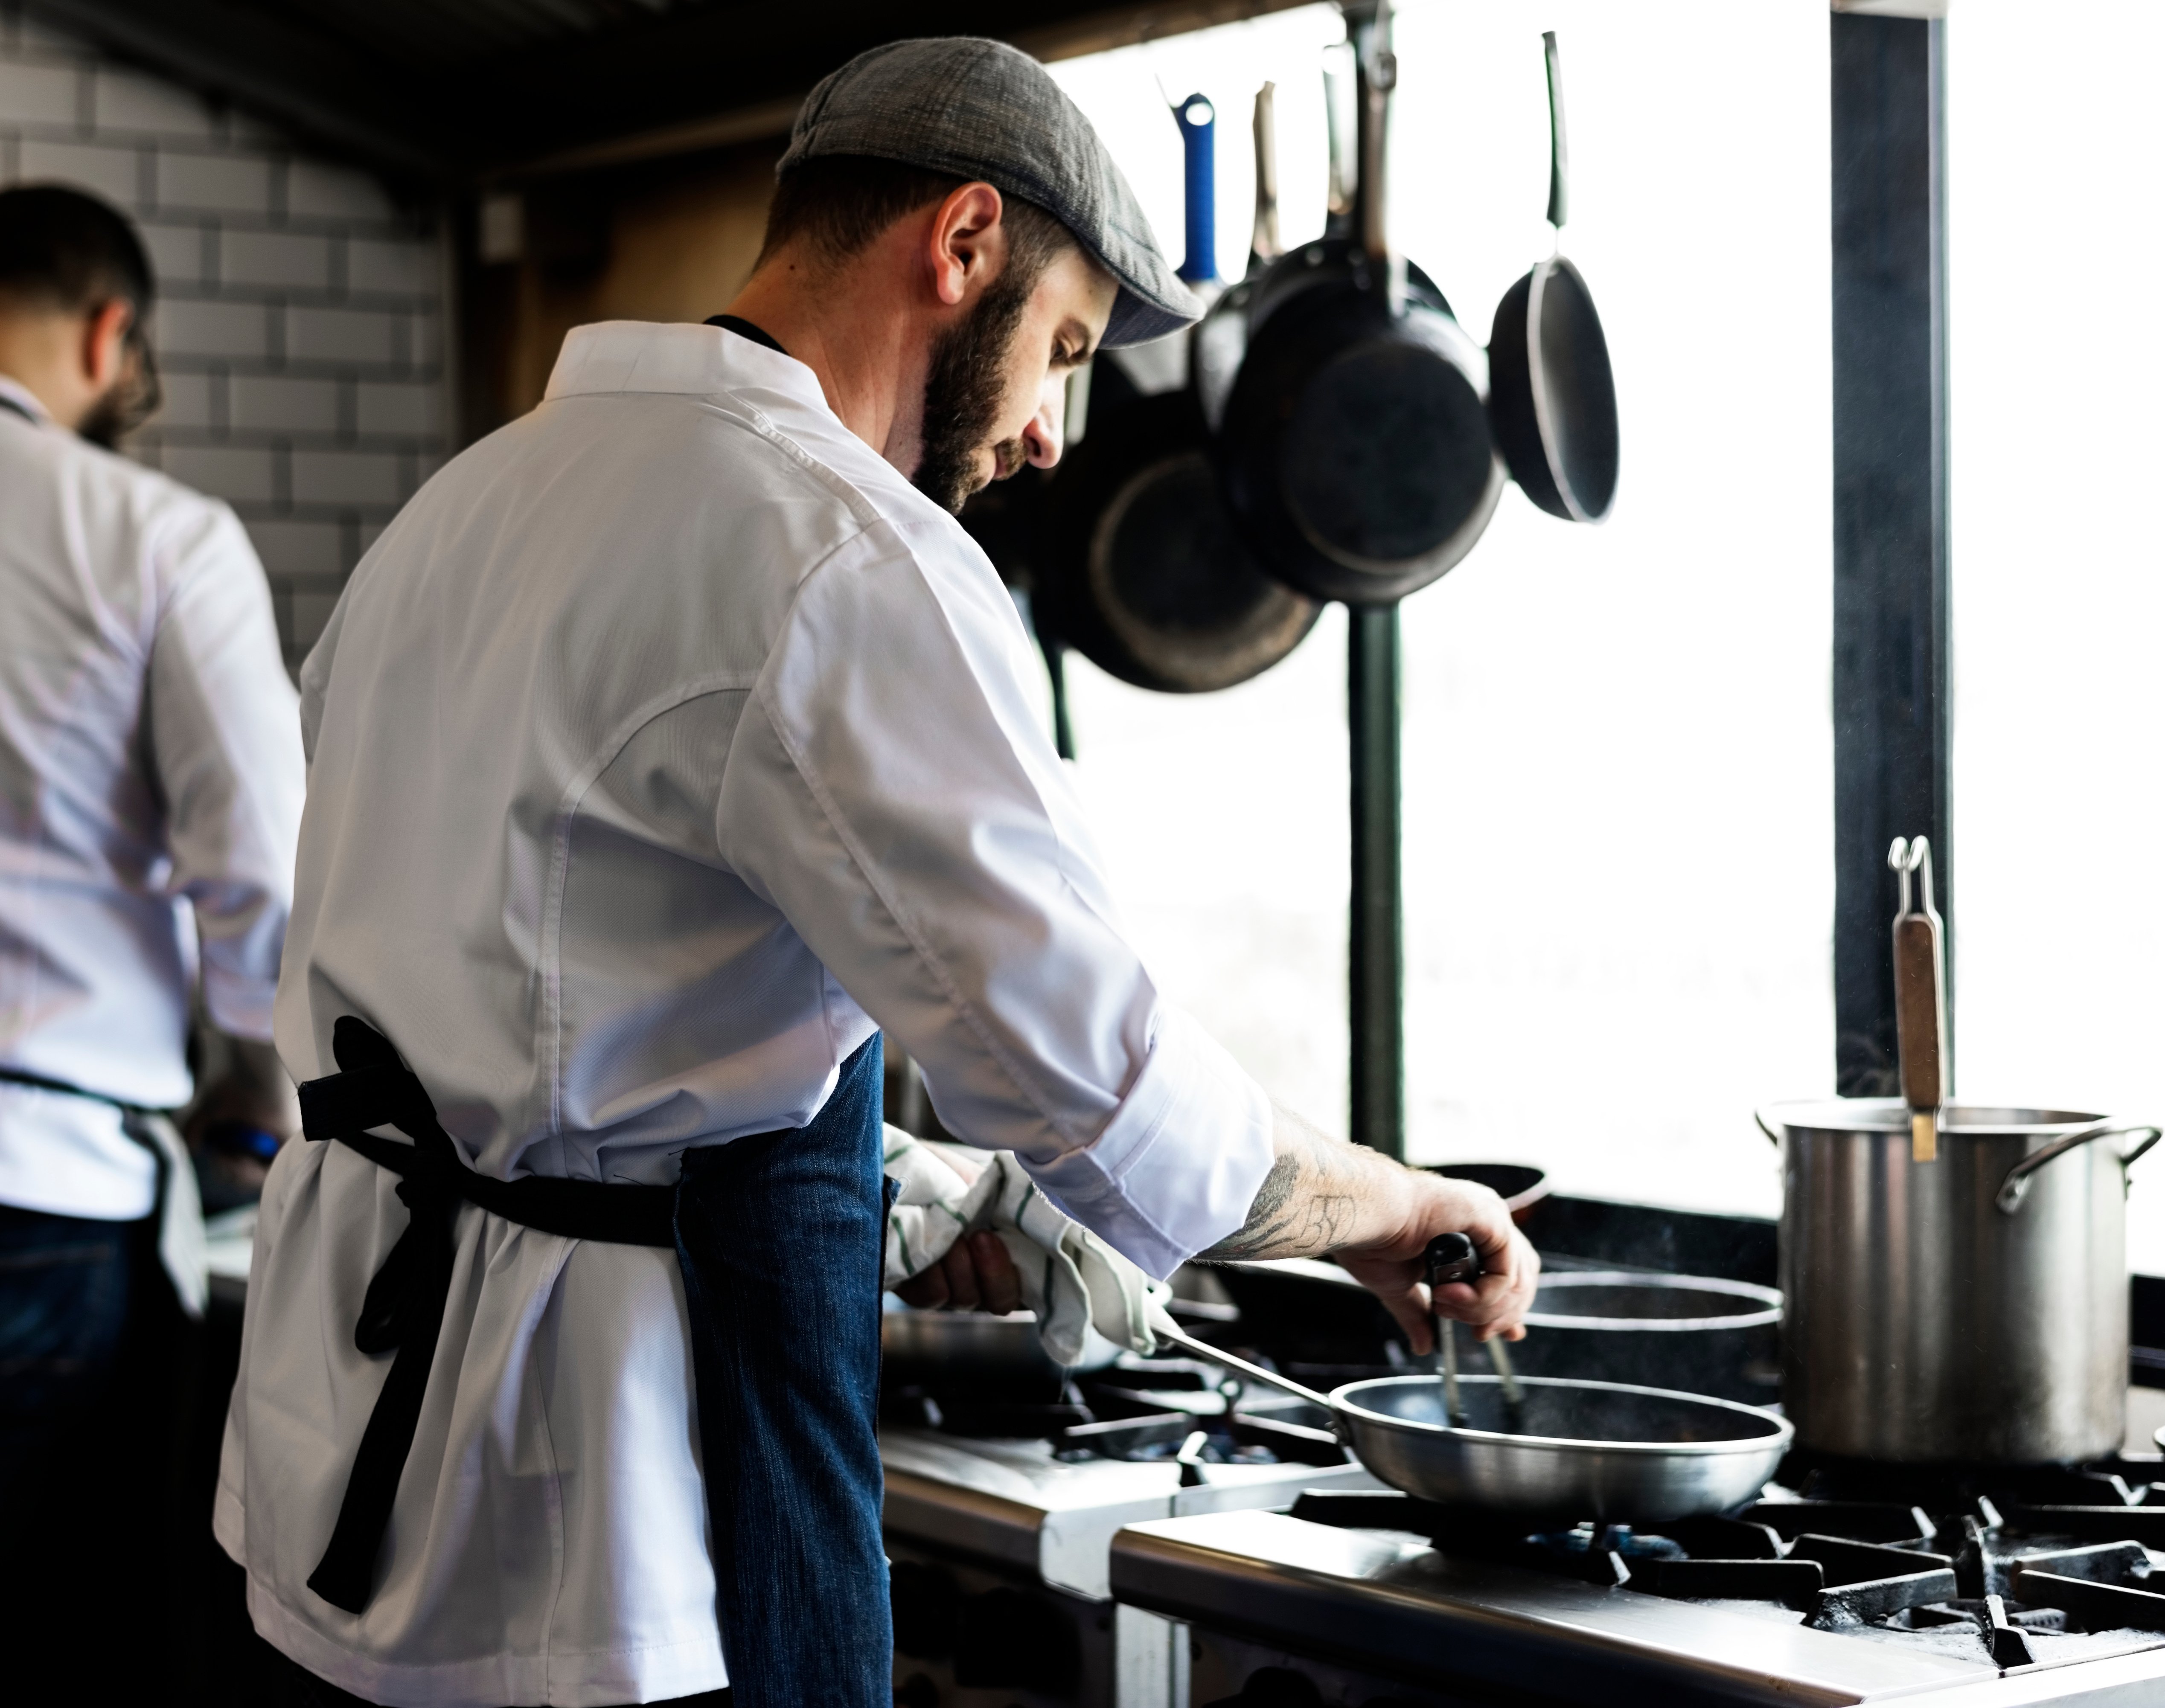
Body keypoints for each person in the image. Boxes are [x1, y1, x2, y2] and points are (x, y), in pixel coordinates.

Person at [221, 37, 1539, 1708]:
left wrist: (890, 1184)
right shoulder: (838, 556)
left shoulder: (460, 508)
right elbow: (1120, 1105)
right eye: (1060, 349)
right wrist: (1394, 1205)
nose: (1053, 433)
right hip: (609, 1545)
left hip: (339, 1473)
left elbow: (540, 1015)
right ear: (961, 243)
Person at [0, 184, 305, 1688]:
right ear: (111, 329)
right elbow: (265, 876)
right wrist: (260, 1076)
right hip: (46, 1200)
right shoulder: (150, 534)